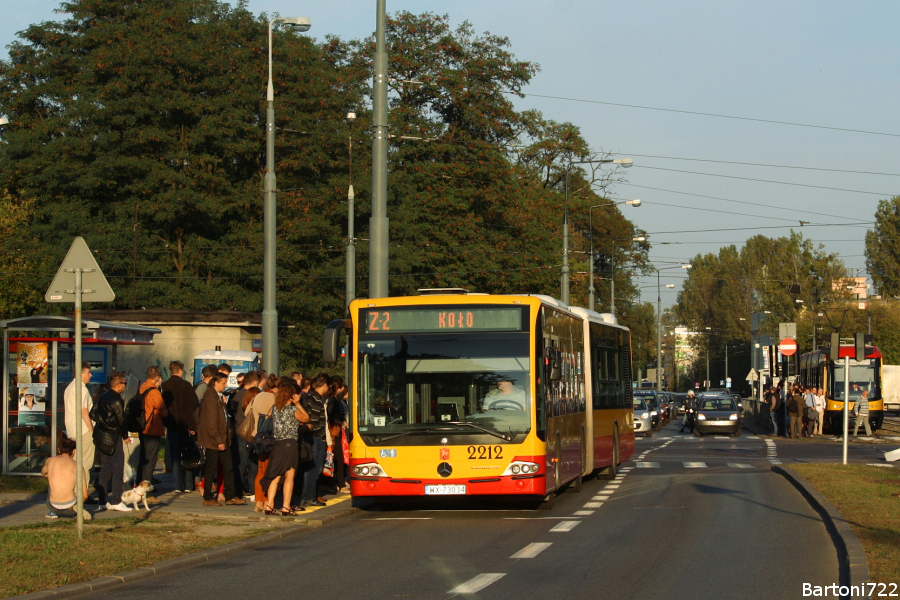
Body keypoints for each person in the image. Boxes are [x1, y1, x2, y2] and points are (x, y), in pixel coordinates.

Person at [260, 381, 309, 515]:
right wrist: (298, 404)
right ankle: (286, 506)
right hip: (290, 444)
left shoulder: (275, 409)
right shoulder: (293, 410)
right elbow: (306, 418)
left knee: (275, 475)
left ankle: (269, 505)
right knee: (289, 475)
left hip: (277, 445)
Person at [198, 373, 245, 506]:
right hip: (214, 440)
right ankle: (207, 497)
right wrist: (219, 440)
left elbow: (222, 417)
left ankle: (230, 495)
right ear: (215, 383)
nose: (225, 385)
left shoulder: (218, 398)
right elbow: (212, 423)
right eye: (223, 383)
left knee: (228, 466)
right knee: (211, 468)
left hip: (223, 438)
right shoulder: (211, 399)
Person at [92, 372, 133, 512]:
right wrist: (125, 435)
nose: (125, 387)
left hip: (102, 438)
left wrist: (103, 422)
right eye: (124, 384)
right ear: (118, 384)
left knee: (105, 469)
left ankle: (102, 501)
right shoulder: (117, 400)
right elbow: (121, 420)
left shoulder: (102, 396)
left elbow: (93, 413)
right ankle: (116, 500)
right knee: (117, 469)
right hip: (114, 437)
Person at [161, 361, 199, 493]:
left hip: (172, 425)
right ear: (181, 371)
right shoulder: (186, 385)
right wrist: (192, 426)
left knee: (175, 456)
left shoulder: (164, 386)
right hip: (185, 425)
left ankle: (178, 485)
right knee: (187, 454)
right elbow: (191, 408)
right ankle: (189, 484)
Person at [63, 362, 95, 496]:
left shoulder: (69, 387)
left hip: (72, 430)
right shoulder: (82, 389)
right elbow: (83, 410)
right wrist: (91, 428)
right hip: (83, 430)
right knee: (85, 465)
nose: (90, 375)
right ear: (81, 374)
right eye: (88, 372)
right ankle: (82, 494)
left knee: (75, 463)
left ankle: (72, 492)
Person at [247, 375, 278, 512]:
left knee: (260, 470)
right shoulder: (275, 399)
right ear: (276, 388)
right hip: (270, 438)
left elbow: (247, 411)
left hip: (257, 437)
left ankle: (259, 501)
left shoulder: (258, 396)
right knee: (269, 470)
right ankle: (266, 501)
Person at [42, 437, 91, 521]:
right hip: (70, 508)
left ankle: (52, 513)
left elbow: (43, 473)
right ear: (73, 452)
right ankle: (76, 511)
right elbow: (85, 495)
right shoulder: (78, 466)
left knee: (52, 482)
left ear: (58, 449)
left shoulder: (50, 460)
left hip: (53, 506)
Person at [300, 373, 330, 507]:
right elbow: (316, 421)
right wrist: (323, 436)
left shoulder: (308, 396)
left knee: (307, 468)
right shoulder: (317, 400)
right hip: (316, 437)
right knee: (314, 468)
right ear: (324, 385)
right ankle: (309, 496)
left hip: (307, 436)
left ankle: (307, 495)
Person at [137, 366, 167, 490]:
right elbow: (164, 411)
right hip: (153, 428)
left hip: (142, 426)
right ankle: (146, 488)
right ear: (158, 377)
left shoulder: (142, 387)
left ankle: (139, 484)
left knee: (143, 458)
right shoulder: (154, 392)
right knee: (150, 460)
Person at [231, 371, 259, 496]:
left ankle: (238, 489)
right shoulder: (252, 395)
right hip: (248, 431)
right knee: (249, 463)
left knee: (241, 462)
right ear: (254, 382)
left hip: (239, 430)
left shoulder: (237, 395)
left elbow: (231, 411)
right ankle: (250, 490)